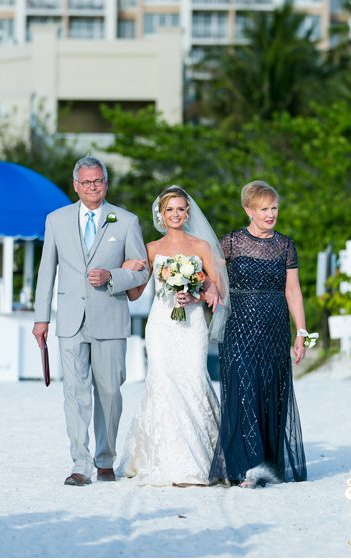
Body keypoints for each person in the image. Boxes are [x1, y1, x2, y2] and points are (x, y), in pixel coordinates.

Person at [32, 156, 150, 486]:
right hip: (69, 320)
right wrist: (42, 318)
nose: (92, 187)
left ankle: (105, 459)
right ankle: (80, 464)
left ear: (106, 183)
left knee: (110, 393)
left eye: (97, 181)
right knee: (75, 392)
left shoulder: (125, 221)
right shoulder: (56, 220)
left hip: (110, 318)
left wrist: (113, 275)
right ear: (76, 185)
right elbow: (46, 272)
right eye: (86, 182)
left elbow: (142, 270)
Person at [116, 185, 227, 487]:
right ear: (161, 215)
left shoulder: (202, 247)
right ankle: (167, 461)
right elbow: (136, 292)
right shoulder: (151, 249)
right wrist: (128, 269)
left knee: (192, 380)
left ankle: (199, 463)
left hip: (192, 327)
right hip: (161, 325)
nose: (175, 214)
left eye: (180, 209)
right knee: (163, 383)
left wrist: (199, 293)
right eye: (170, 210)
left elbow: (217, 292)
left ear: (187, 212)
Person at [209, 180, 308, 487]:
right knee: (243, 391)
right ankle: (243, 469)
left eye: (274, 208)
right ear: (248, 210)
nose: (270, 214)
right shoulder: (230, 243)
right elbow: (214, 276)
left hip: (275, 328)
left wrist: (301, 333)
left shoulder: (286, 245)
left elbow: (293, 291)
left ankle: (267, 464)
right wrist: (211, 286)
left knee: (270, 391)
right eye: (264, 209)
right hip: (238, 327)